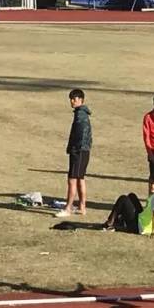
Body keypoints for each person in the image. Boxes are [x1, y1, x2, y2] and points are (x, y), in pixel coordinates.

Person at [55, 89, 92, 218]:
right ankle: (82, 207)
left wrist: (75, 149)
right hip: (83, 151)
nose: (72, 101)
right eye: (71, 99)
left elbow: (81, 134)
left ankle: (68, 208)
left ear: (80, 100)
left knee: (72, 180)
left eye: (74, 99)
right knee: (80, 179)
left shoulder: (80, 115)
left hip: (79, 151)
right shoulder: (81, 113)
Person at [103, 172, 154, 237]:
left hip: (139, 227)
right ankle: (119, 221)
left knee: (123, 199)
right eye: (150, 183)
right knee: (132, 196)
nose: (152, 186)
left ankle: (109, 223)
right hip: (141, 221)